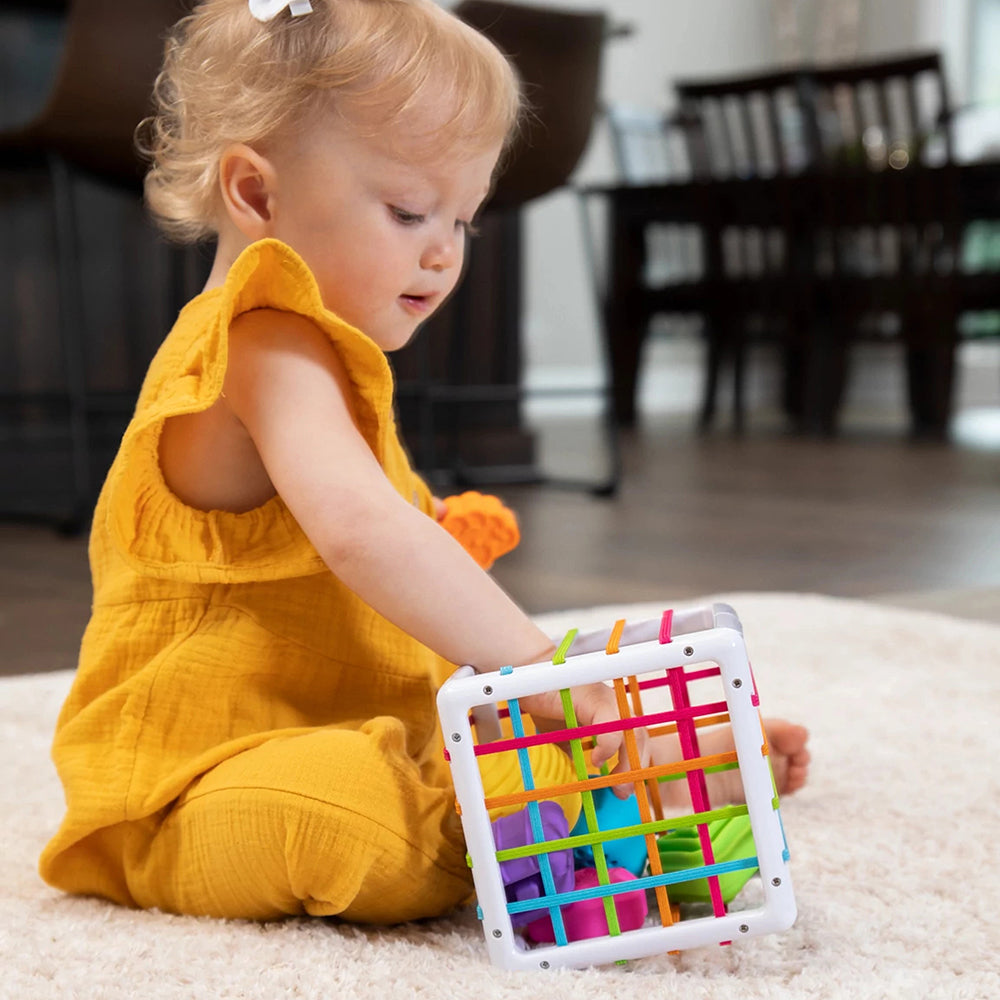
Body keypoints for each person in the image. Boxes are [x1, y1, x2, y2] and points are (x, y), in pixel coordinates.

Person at [39, 0, 809, 925]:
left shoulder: (327, 360)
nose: (443, 253)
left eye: (464, 219)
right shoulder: (257, 343)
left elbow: (391, 546)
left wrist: (554, 689)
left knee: (477, 717)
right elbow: (366, 534)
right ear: (255, 194)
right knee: (344, 814)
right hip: (190, 784)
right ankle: (533, 818)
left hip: (359, 716)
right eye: (409, 211)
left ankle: (633, 768)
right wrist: (547, 671)